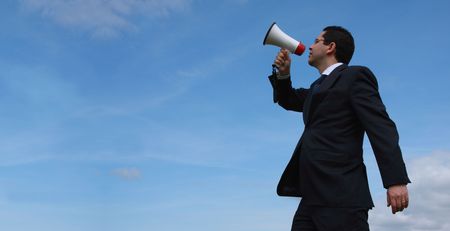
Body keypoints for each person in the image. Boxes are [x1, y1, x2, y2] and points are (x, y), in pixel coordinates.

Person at [268, 26, 411, 231]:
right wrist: (283, 76)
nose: (310, 46)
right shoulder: (318, 87)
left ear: (330, 47)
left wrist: (395, 180)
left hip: (341, 194)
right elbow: (288, 99)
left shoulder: (355, 76)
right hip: (311, 196)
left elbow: (381, 126)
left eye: (317, 41)